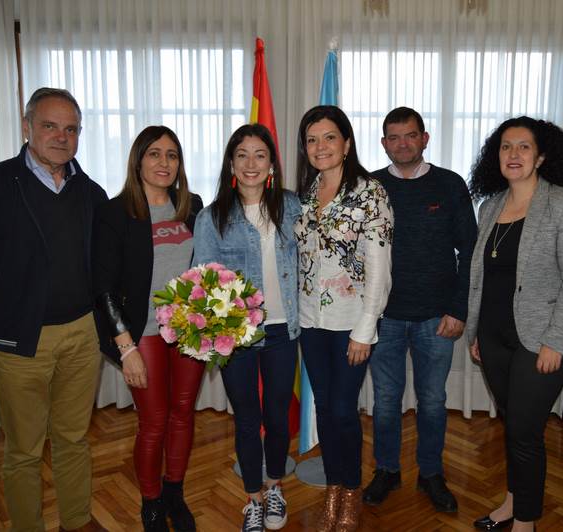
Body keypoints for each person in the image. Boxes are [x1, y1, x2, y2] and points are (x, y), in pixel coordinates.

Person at [0, 88, 108, 532]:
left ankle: (77, 521)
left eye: (70, 128)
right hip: (18, 341)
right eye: (49, 125)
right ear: (27, 128)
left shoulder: (90, 192)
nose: (61, 136)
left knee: (74, 438)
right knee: (23, 449)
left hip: (82, 334)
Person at [465, 116, 563, 532]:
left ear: (541, 156)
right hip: (494, 336)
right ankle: (512, 503)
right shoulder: (490, 207)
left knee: (524, 429)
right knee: (511, 423)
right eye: (505, 147)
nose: (513, 154)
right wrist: (476, 331)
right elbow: (482, 277)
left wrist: (559, 340)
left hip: (542, 338)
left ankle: (527, 522)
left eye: (523, 147)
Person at [364, 107, 477, 512]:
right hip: (385, 317)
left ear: (424, 138)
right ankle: (387, 470)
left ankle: (431, 473)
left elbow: (470, 250)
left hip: (437, 317)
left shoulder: (449, 184)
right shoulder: (371, 187)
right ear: (383, 143)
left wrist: (458, 309)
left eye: (410, 135)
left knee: (432, 400)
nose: (403, 144)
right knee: (386, 401)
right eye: (393, 137)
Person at [92, 125, 204, 532]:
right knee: (154, 422)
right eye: (155, 153)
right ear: (138, 160)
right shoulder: (116, 211)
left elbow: (206, 270)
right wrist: (126, 347)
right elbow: (102, 286)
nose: (164, 162)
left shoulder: (192, 206)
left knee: (182, 415)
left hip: (189, 332)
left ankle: (175, 491)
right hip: (143, 333)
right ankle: (152, 501)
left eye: (172, 155)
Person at [193, 123, 301, 532]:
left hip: (282, 331)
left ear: (271, 162)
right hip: (235, 335)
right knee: (245, 417)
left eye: (259, 154)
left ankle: (275, 487)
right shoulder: (212, 217)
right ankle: (253, 498)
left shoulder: (293, 207)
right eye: (242, 154)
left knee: (276, 415)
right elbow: (202, 281)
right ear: (231, 163)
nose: (251, 163)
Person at [294, 105, 393, 532]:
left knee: (341, 409)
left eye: (329, 137)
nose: (321, 146)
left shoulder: (370, 193)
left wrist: (366, 329)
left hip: (352, 324)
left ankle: (350, 492)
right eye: (312, 139)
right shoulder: (305, 193)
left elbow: (380, 267)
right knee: (326, 410)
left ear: (347, 143)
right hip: (310, 322)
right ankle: (333, 486)